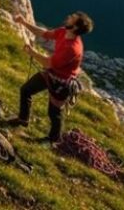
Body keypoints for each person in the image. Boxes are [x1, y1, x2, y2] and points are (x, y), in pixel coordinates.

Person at [7, 11, 93, 143]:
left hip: (62, 82)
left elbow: (47, 62)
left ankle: (54, 139)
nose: (69, 17)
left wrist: (32, 52)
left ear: (75, 27)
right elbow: (43, 33)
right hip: (52, 73)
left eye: (73, 18)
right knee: (26, 90)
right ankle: (23, 119)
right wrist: (24, 22)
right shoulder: (64, 32)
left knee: (54, 112)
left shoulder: (72, 48)